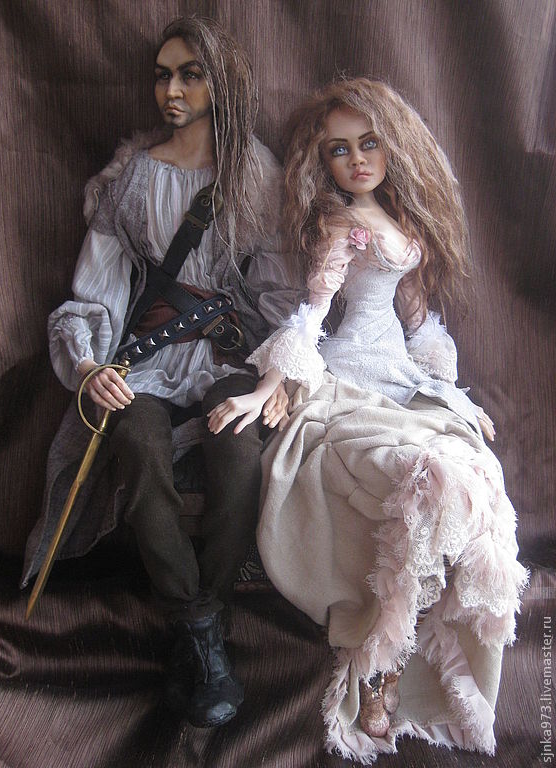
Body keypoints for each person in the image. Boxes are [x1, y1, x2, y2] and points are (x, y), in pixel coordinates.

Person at [208, 78, 528, 763]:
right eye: (338, 149)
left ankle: (414, 654)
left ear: (393, 145)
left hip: (403, 378)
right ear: (322, 161)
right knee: (414, 480)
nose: (356, 160)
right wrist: (267, 389)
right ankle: (379, 668)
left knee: (471, 471)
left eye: (369, 143)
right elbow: (314, 313)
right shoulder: (340, 225)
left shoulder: (404, 222)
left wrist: (453, 394)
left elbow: (417, 319)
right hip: (350, 377)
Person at [21, 16, 297, 729]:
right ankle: (199, 632)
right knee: (135, 444)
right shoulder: (132, 179)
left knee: (237, 452)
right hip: (145, 357)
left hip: (231, 354)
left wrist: (281, 374)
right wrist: (88, 365)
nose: (171, 90)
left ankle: (203, 625)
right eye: (162, 75)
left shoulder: (256, 176)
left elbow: (280, 296)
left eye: (190, 74)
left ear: (221, 83)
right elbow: (97, 290)